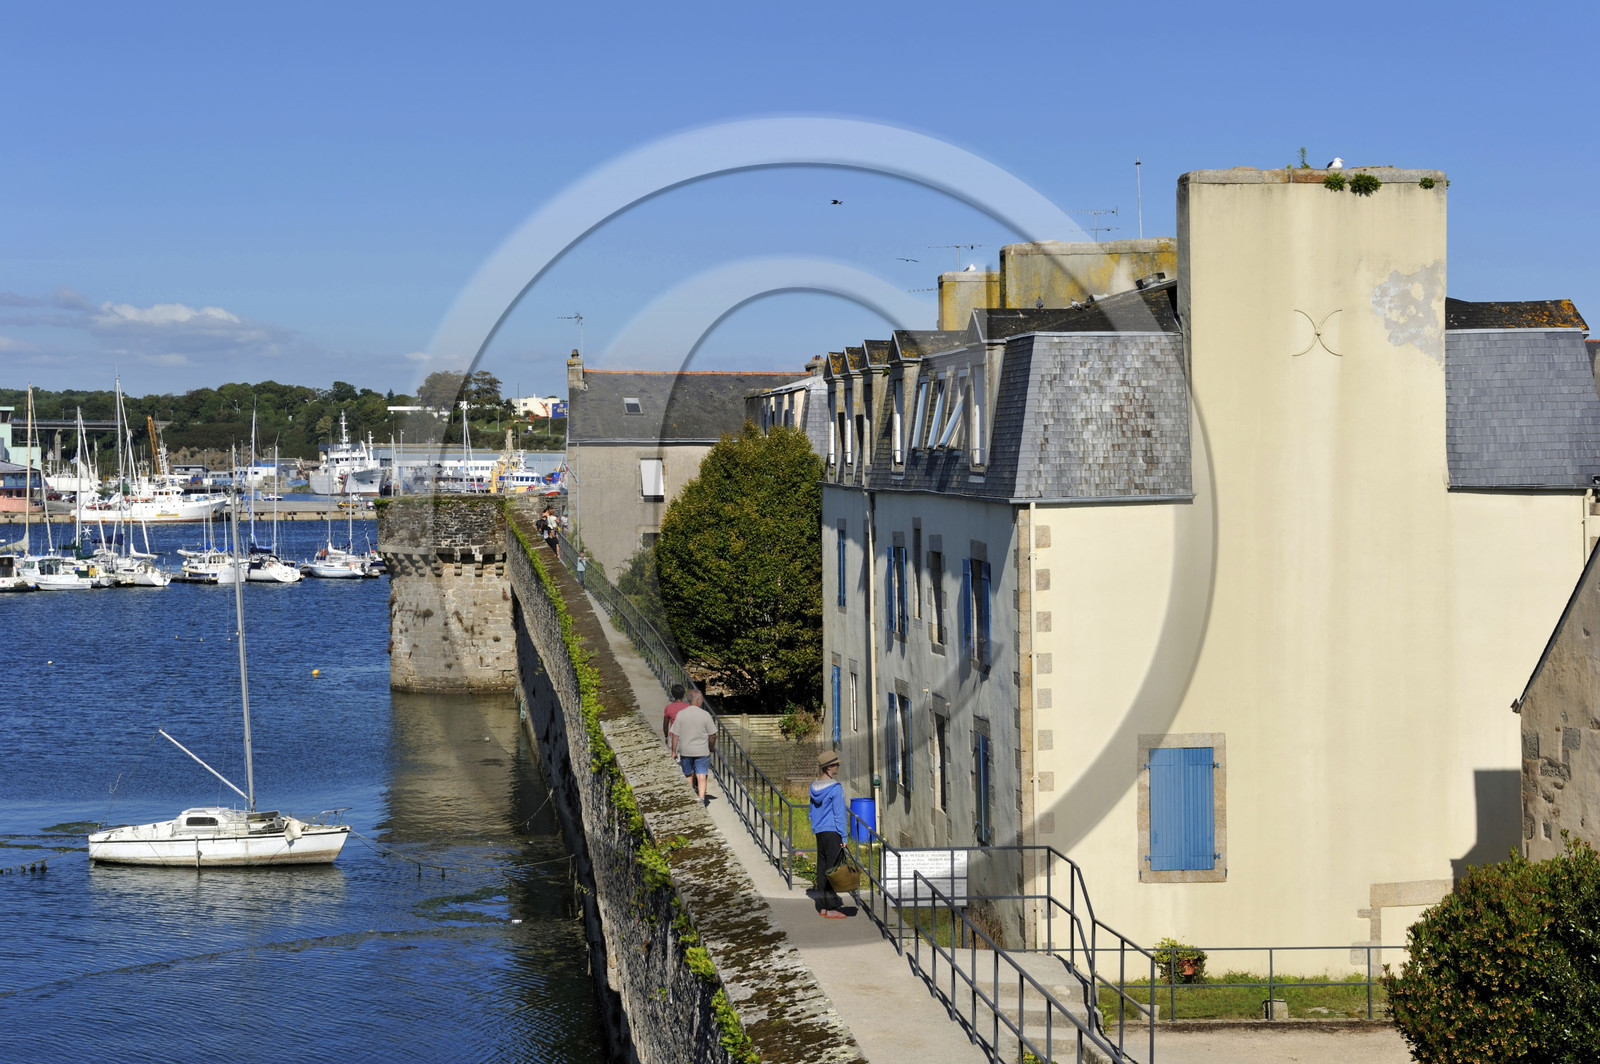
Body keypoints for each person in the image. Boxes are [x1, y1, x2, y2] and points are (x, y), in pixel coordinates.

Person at [809, 751, 849, 918]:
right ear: (830, 767)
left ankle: (823, 906)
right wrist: (844, 836)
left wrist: (815, 825)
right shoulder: (835, 787)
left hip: (820, 831)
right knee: (833, 870)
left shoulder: (814, 785)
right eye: (836, 764)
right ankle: (831, 907)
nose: (839, 766)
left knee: (822, 868)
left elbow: (811, 811)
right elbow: (839, 814)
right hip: (833, 832)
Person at [669, 690, 717, 805]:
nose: (701, 701)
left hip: (686, 750)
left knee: (688, 774)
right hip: (702, 750)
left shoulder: (681, 714)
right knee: (701, 775)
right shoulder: (705, 715)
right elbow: (713, 735)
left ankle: (690, 800)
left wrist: (674, 751)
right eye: (701, 699)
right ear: (698, 700)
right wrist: (711, 747)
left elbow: (675, 734)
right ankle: (701, 799)